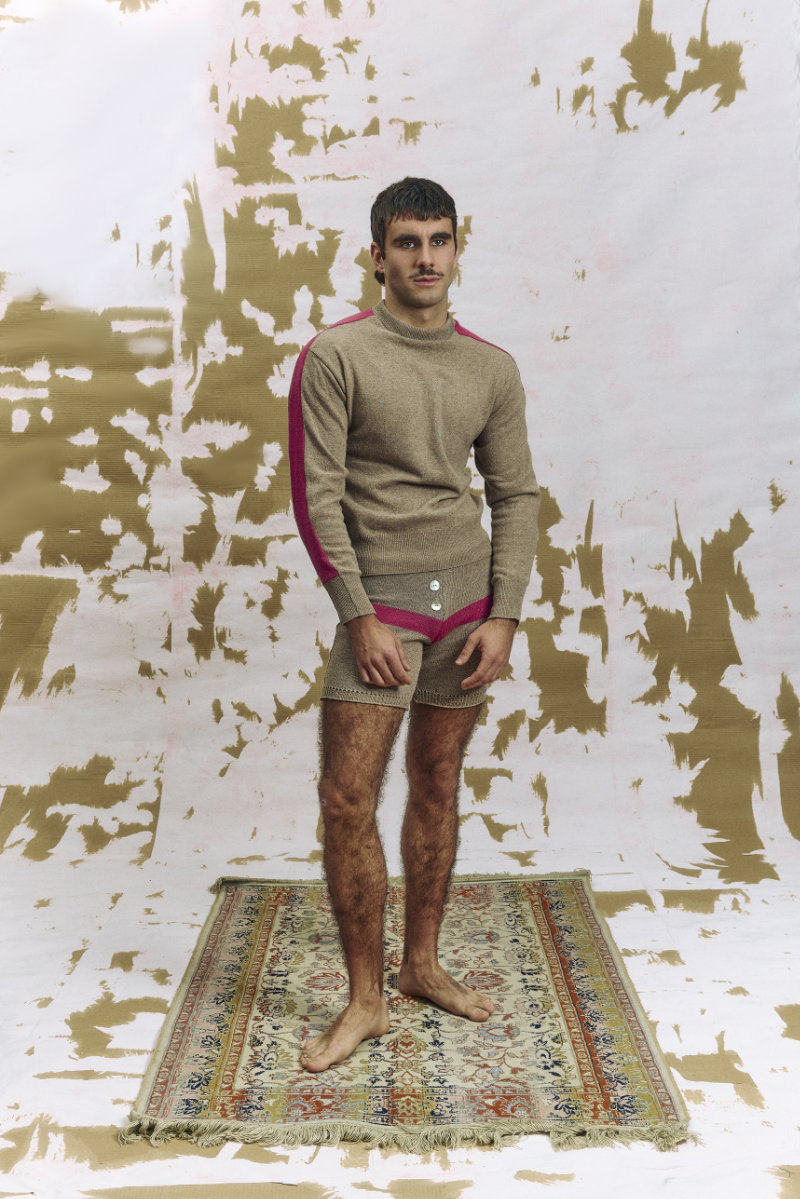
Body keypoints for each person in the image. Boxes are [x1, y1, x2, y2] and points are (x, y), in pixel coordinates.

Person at [288, 177, 540, 1072]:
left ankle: (421, 965)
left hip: (468, 604)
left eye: (439, 240)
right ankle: (365, 999)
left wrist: (505, 613)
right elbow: (316, 496)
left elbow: (514, 494)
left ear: (457, 249)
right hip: (382, 605)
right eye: (407, 242)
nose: (425, 258)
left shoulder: (492, 368)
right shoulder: (336, 355)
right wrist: (358, 615)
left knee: (437, 780)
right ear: (378, 254)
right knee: (346, 796)